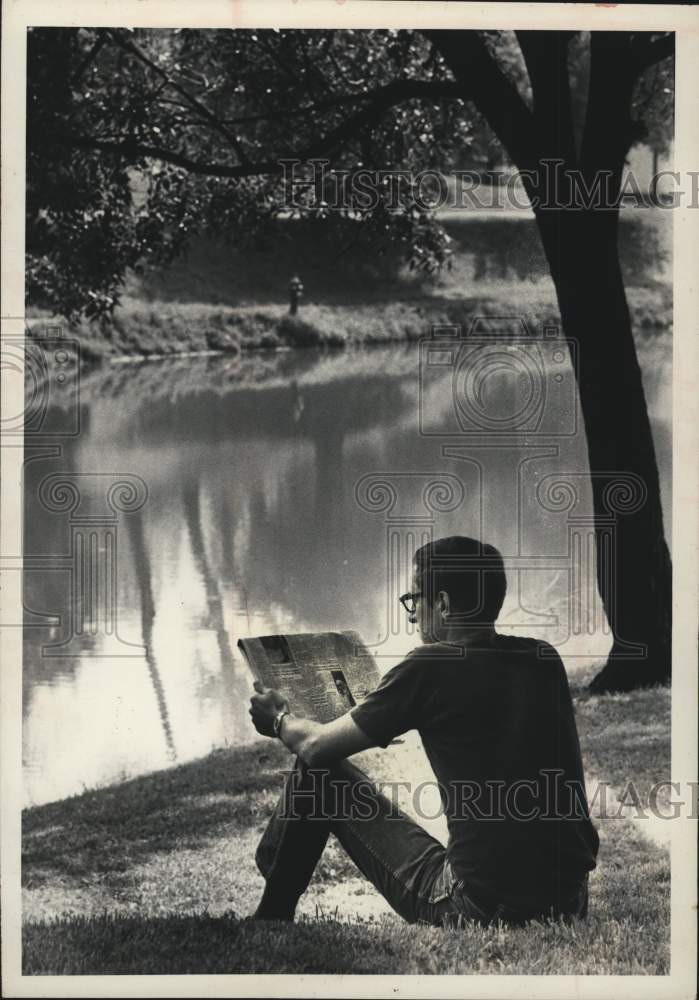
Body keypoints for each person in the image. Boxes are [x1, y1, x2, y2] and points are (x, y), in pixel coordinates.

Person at [249, 535, 599, 926]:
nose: (413, 615)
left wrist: (278, 719)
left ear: (443, 604)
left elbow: (315, 746)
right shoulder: (543, 658)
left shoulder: (430, 666)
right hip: (568, 898)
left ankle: (272, 915)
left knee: (318, 773)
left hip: (481, 905)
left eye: (415, 599)